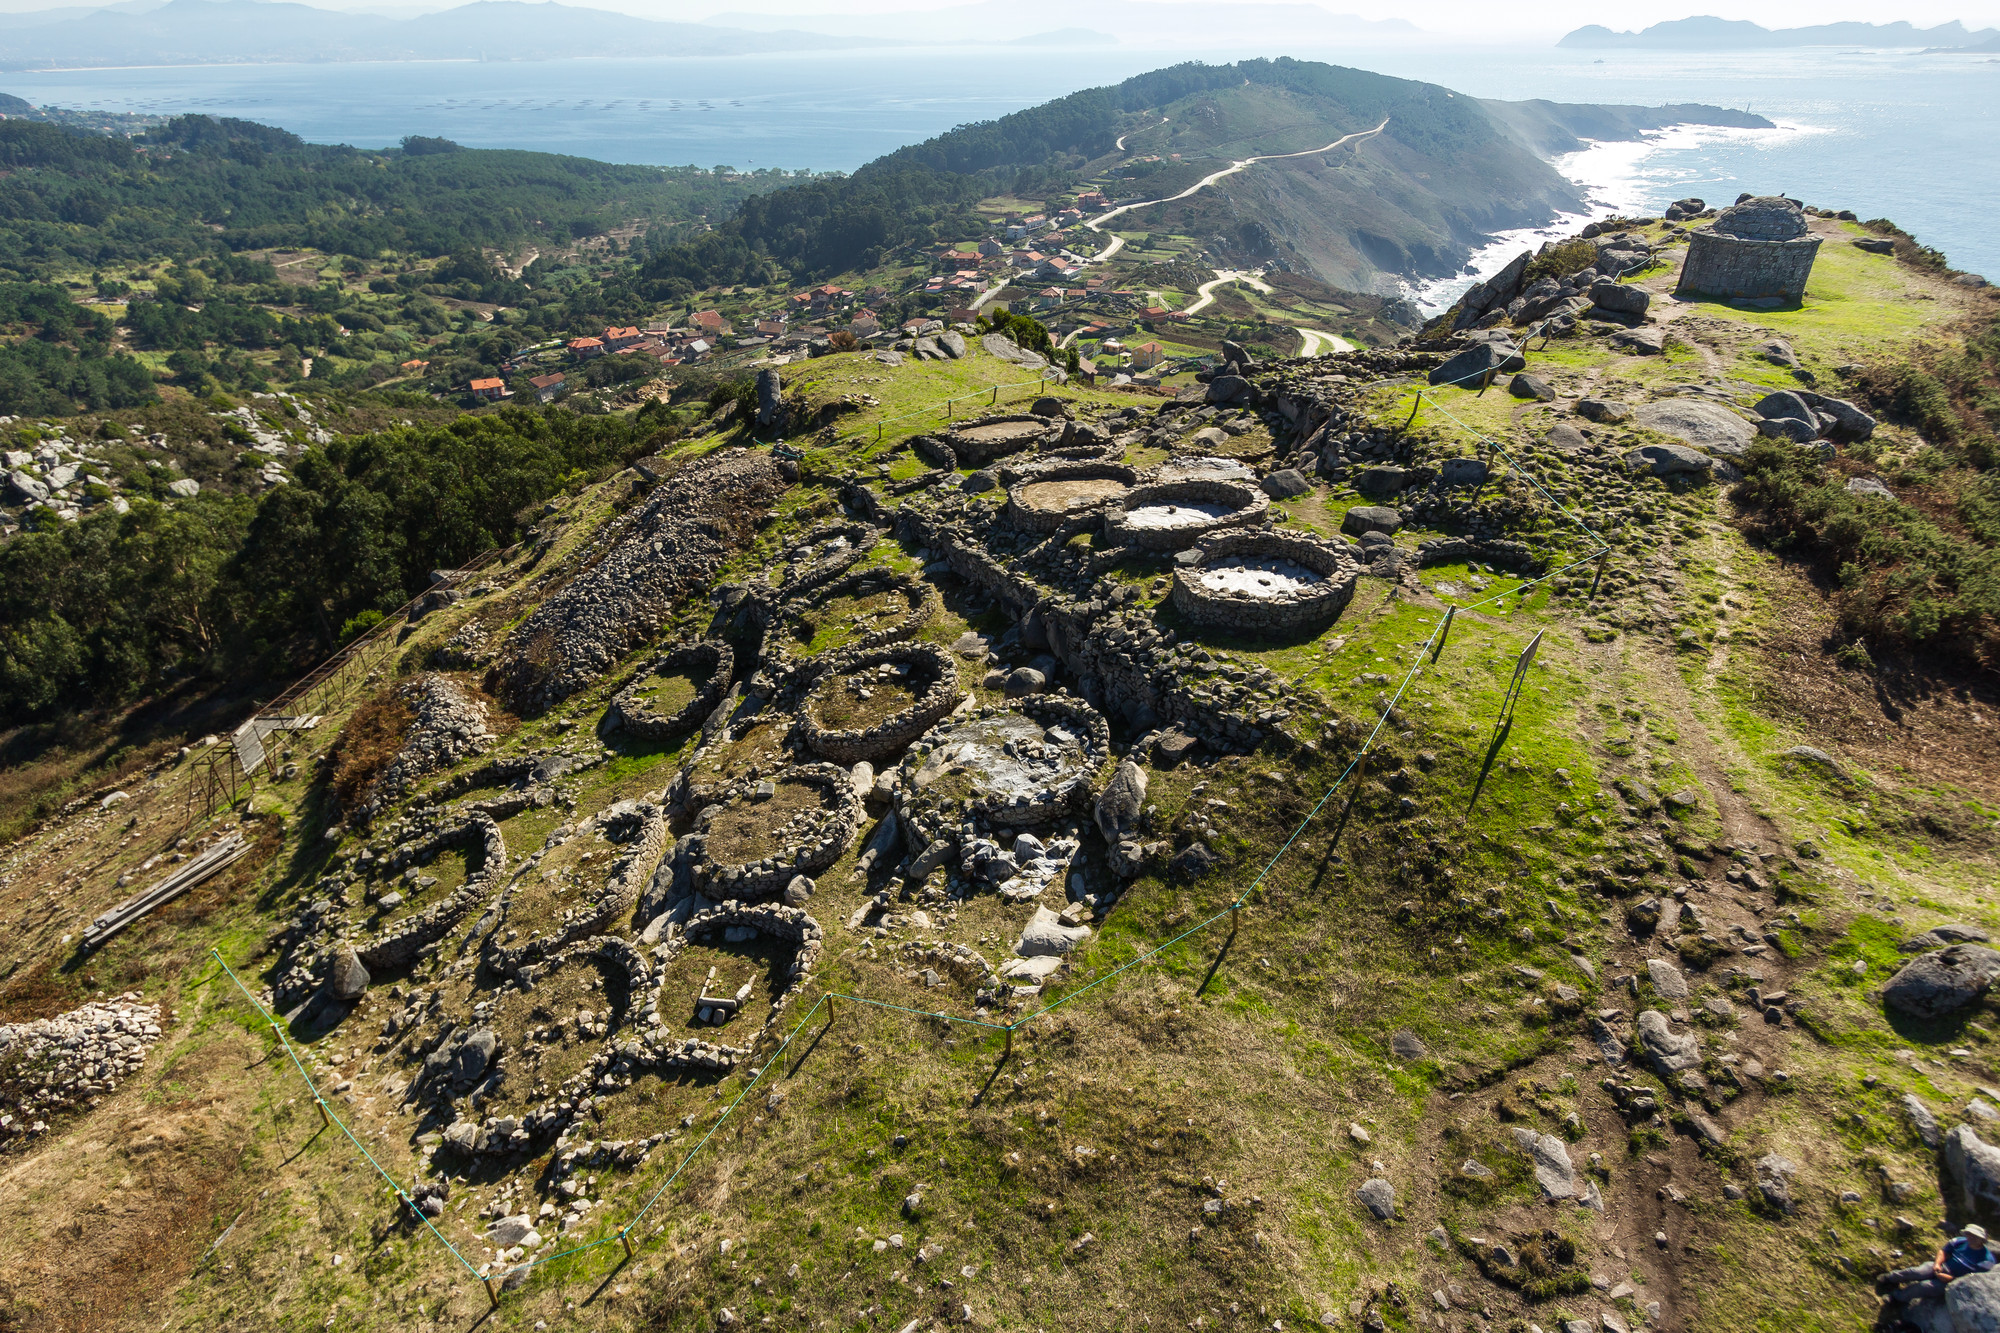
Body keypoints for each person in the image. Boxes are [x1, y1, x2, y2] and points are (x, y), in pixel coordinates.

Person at [1878, 1224, 1998, 1304]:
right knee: (1916, 1271)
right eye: (1969, 1234)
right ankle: (1889, 1278)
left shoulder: (1986, 1261)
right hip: (1941, 1267)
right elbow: (1943, 1251)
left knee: (1924, 1286)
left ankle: (1896, 1298)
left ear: (1982, 1240)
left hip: (1952, 1283)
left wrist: (1951, 1279)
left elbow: (1973, 1281)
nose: (1971, 1237)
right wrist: (1937, 1264)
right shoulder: (1960, 1241)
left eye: (1975, 1236)